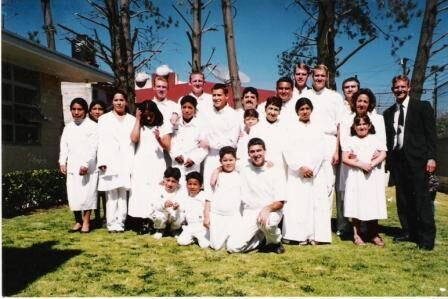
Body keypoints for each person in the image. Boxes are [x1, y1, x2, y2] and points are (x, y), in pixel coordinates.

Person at [383, 75, 437, 250]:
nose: (399, 90)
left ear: (409, 88)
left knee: (422, 200)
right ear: (393, 90)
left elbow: (431, 135)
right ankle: (409, 232)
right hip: (398, 162)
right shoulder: (389, 113)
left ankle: (427, 238)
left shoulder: (422, 107)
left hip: (419, 161)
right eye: (396, 87)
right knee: (403, 200)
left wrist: (431, 157)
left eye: (402, 87)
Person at [282, 98, 330, 245]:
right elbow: (287, 149)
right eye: (301, 109)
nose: (305, 111)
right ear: (297, 111)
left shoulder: (317, 128)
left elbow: (321, 150)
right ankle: (297, 236)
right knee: (298, 204)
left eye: (307, 108)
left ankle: (315, 235)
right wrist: (299, 167)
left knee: (315, 204)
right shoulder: (290, 128)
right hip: (297, 173)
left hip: (315, 173)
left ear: (311, 110)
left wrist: (312, 169)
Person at [227, 137, 286, 254]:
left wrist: (267, 209)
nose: (256, 154)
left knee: (267, 224)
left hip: (271, 211)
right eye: (252, 152)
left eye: (259, 151)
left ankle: (275, 242)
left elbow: (280, 202)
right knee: (232, 247)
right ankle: (262, 241)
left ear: (265, 151)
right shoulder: (244, 166)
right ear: (248, 154)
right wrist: (217, 170)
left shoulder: (276, 170)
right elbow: (227, 163)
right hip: (250, 212)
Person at [342, 114, 387, 246]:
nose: (361, 127)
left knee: (372, 202)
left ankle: (373, 233)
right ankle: (357, 234)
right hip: (356, 176)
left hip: (372, 176)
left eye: (364, 124)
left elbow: (383, 153)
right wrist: (361, 165)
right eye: (358, 124)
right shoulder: (350, 140)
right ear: (354, 127)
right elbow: (345, 158)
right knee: (356, 203)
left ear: (369, 125)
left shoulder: (375, 139)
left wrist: (371, 165)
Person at [128, 100, 172, 235]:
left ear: (155, 113)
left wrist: (158, 138)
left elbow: (167, 146)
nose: (148, 117)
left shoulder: (163, 126)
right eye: (145, 114)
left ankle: (155, 222)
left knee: (155, 192)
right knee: (141, 192)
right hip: (141, 163)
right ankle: (143, 222)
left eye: (150, 114)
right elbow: (134, 139)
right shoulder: (139, 125)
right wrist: (137, 119)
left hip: (156, 163)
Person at [308, 64, 345, 215]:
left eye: (322, 76)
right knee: (311, 182)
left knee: (328, 182)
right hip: (310, 141)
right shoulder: (306, 96)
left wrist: (337, 150)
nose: (319, 78)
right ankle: (311, 221)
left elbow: (339, 125)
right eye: (317, 75)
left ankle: (325, 222)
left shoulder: (335, 97)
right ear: (312, 77)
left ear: (327, 78)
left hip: (329, 141)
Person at [97, 90, 135, 233]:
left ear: (125, 102)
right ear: (112, 102)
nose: (119, 103)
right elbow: (100, 141)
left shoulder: (131, 119)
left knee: (123, 193)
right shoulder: (104, 119)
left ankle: (121, 222)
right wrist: (102, 161)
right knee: (111, 194)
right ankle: (111, 222)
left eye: (121, 100)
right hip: (109, 160)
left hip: (126, 160)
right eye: (116, 100)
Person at [59, 97, 98, 233]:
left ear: (85, 111)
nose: (76, 112)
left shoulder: (93, 126)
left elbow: (93, 148)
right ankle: (78, 221)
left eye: (79, 109)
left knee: (87, 195)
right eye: (74, 109)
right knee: (74, 195)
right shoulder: (68, 127)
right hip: (72, 166)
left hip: (88, 167)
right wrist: (62, 161)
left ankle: (86, 222)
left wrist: (85, 164)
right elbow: (64, 146)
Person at [200, 83, 240, 192]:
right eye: (214, 95)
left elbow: (231, 142)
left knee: (223, 191)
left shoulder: (233, 115)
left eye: (219, 95)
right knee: (208, 190)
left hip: (225, 160)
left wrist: (211, 143)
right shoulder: (207, 113)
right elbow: (202, 135)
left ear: (226, 96)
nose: (216, 98)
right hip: (208, 158)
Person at [335, 77, 361, 238]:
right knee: (341, 190)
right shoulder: (340, 107)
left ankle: (363, 224)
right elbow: (338, 129)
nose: (350, 89)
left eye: (353, 86)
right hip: (344, 155)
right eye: (346, 87)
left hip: (361, 156)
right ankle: (343, 224)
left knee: (361, 190)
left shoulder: (365, 104)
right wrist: (337, 151)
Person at [205, 146, 243, 250]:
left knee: (233, 245)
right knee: (216, 247)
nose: (228, 163)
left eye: (231, 160)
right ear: (220, 161)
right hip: (217, 214)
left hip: (233, 215)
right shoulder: (218, 175)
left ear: (236, 160)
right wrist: (207, 216)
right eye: (225, 160)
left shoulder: (240, 174)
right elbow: (209, 196)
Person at [170, 95, 207, 178]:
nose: (186, 110)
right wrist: (175, 155)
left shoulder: (200, 126)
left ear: (195, 110)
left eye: (190, 108)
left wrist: (194, 159)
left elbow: (204, 148)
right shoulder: (175, 124)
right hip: (177, 163)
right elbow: (170, 142)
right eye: (184, 107)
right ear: (181, 108)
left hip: (192, 166)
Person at [249, 96, 286, 174]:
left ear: (280, 111)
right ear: (265, 109)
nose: (272, 113)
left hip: (280, 169)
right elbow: (252, 150)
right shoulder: (256, 128)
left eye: (276, 109)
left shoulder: (284, 128)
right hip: (261, 169)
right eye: (270, 108)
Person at [177, 171, 210, 248]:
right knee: (181, 241)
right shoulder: (185, 197)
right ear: (186, 184)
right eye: (190, 184)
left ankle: (199, 238)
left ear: (201, 185)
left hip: (202, 227)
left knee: (205, 245)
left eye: (195, 184)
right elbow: (182, 209)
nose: (192, 187)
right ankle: (193, 238)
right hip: (190, 226)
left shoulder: (204, 196)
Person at [151, 167, 185, 240]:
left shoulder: (182, 190)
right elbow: (153, 206)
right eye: (168, 180)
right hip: (162, 213)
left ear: (178, 181)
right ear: (164, 179)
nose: (170, 184)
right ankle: (159, 230)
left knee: (181, 215)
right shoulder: (158, 188)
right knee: (156, 215)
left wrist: (178, 206)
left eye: (173, 181)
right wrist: (163, 205)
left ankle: (174, 230)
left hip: (173, 215)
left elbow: (184, 207)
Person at [88, 100, 107, 228]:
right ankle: (96, 216)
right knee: (92, 191)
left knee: (104, 191)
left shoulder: (106, 124)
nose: (97, 111)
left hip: (104, 161)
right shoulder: (87, 125)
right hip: (90, 162)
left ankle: (106, 216)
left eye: (100, 109)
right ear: (90, 111)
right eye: (94, 109)